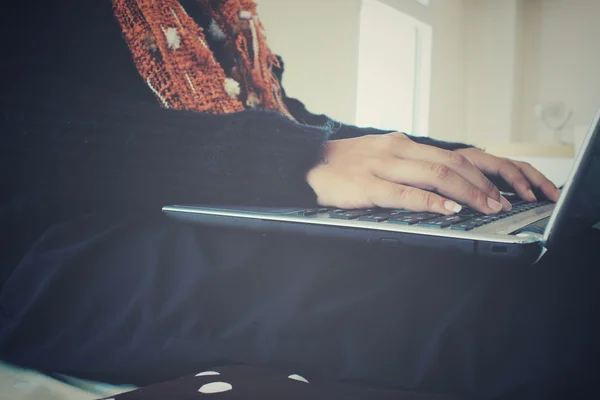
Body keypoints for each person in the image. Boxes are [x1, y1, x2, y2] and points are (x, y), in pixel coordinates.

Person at [0, 0, 597, 398]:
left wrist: (441, 158)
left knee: (564, 256)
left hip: (210, 210)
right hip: (54, 258)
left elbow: (290, 119)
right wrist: (292, 159)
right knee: (501, 305)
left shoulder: (222, 19)